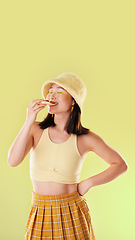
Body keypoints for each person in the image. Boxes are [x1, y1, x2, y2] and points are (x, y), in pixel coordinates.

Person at [8, 72, 128, 240]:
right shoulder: (35, 129)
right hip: (39, 209)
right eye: (50, 90)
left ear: (73, 101)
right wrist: (28, 120)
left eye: (59, 91)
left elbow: (120, 164)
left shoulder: (86, 138)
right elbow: (13, 161)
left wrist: (88, 183)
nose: (51, 94)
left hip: (72, 209)